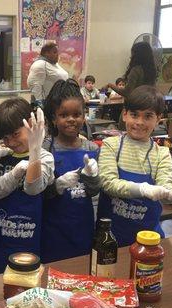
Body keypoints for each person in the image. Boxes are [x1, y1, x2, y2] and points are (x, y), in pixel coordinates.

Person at [97, 85, 172, 247]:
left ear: (158, 119)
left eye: (148, 116)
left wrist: (170, 193)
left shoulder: (161, 153)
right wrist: (144, 189)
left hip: (149, 238)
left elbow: (165, 183)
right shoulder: (111, 146)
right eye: (134, 115)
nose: (139, 122)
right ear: (124, 115)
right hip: (110, 238)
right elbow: (108, 183)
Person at [0, 97, 54, 275]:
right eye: (5, 138)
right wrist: (14, 174)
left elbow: (33, 188)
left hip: (27, 239)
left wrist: (35, 151)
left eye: (15, 134)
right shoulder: (1, 156)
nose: (11, 142)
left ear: (30, 124)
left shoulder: (45, 157)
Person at [42, 79, 101, 263]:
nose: (71, 119)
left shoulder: (92, 149)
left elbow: (95, 192)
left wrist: (92, 179)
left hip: (82, 227)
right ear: (54, 118)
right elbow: (39, 193)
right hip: (52, 230)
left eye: (77, 114)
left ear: (84, 116)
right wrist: (56, 186)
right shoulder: (46, 147)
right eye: (63, 114)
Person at [107, 42, 157, 130]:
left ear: (136, 54)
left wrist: (110, 85)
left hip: (133, 106)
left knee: (125, 132)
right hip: (148, 106)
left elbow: (127, 92)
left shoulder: (136, 70)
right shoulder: (152, 71)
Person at [27, 41, 69, 106]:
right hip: (48, 104)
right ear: (46, 53)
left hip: (60, 102)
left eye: (57, 52)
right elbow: (34, 85)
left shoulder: (54, 64)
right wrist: (40, 104)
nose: (58, 54)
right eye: (55, 52)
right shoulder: (40, 64)